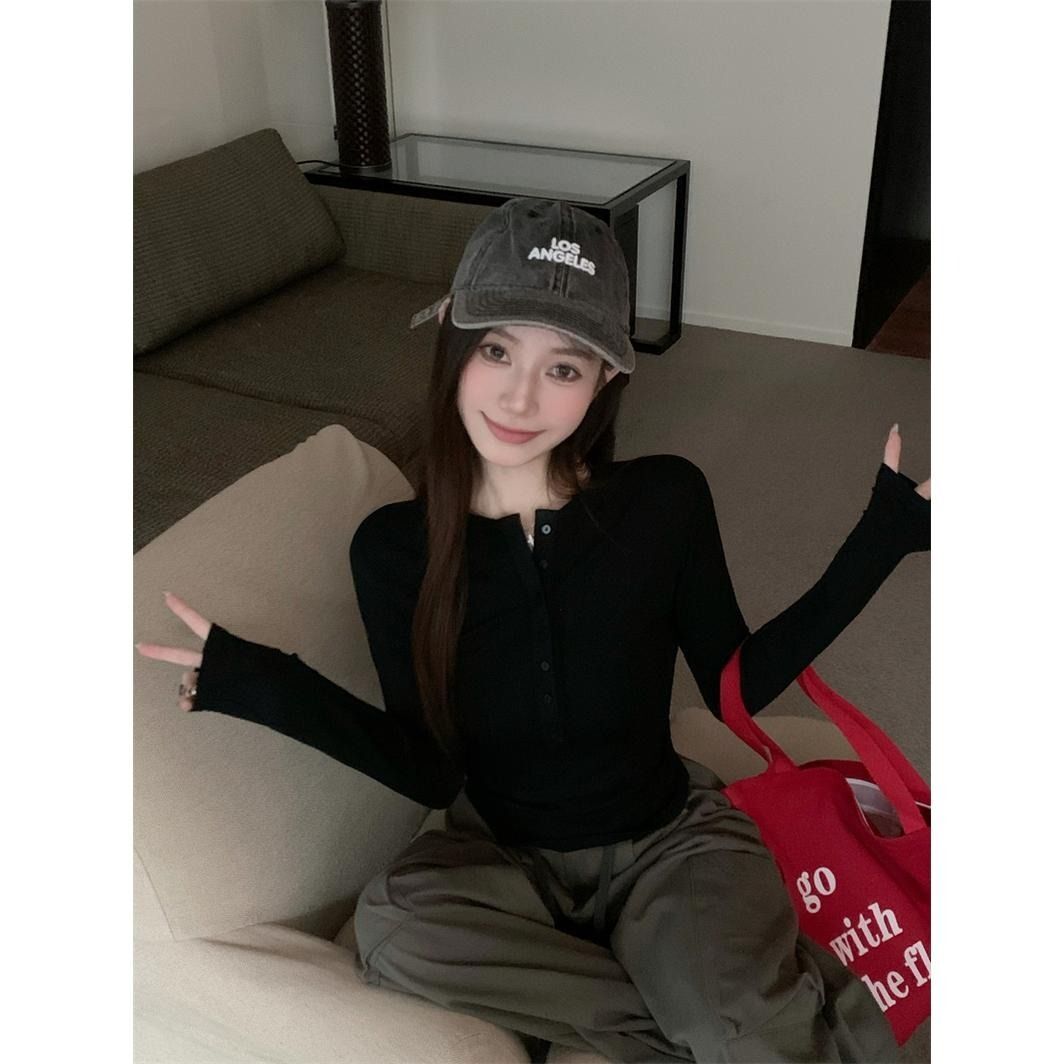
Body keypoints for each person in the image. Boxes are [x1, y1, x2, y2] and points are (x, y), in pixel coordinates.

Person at [136, 197, 930, 1063]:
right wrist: (269, 686)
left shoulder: (662, 502)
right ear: (453, 342)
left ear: (606, 379)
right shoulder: (395, 550)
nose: (519, 396)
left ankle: (711, 1011)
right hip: (506, 861)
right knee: (394, 927)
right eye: (496, 350)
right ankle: (697, 1017)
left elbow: (736, 683)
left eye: (563, 367)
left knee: (727, 1021)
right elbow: (432, 768)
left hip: (669, 840)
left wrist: (878, 544)